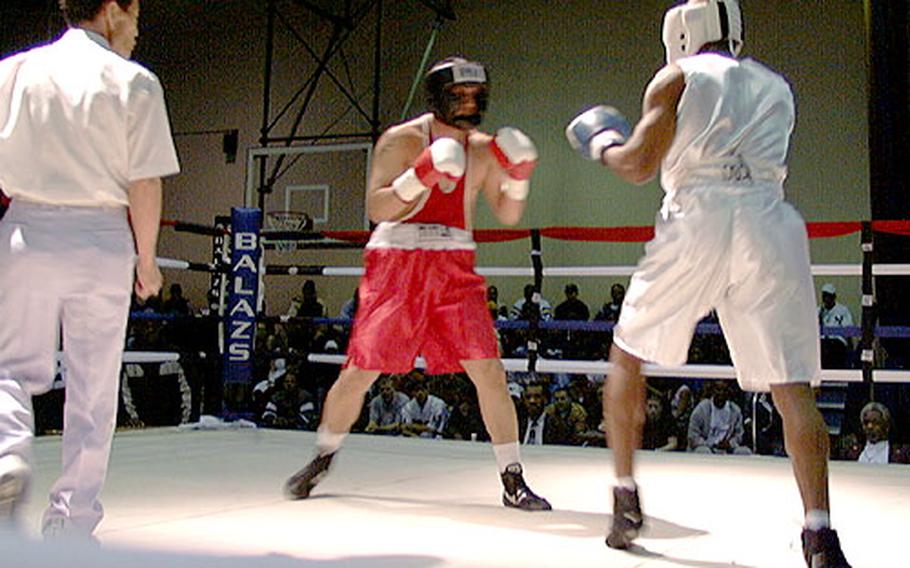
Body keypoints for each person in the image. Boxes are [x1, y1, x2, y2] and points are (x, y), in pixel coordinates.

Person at [565, 1, 850, 565]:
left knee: (627, 357)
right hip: (771, 222)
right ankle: (819, 532)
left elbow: (640, 163)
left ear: (681, 34)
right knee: (793, 386)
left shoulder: (677, 76)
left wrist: (602, 144)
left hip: (698, 215)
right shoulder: (777, 86)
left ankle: (624, 498)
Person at [283, 56, 550, 510]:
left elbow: (507, 213)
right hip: (398, 262)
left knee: (489, 369)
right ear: (438, 98)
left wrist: (520, 178)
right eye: (459, 96)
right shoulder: (402, 140)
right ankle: (323, 457)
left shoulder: (484, 149)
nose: (469, 104)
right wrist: (422, 173)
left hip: (454, 265)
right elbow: (377, 206)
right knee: (361, 370)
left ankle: (512, 478)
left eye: (476, 96)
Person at [0, 0, 180, 538]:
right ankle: (73, 518)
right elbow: (144, 182)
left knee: (7, 366)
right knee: (94, 386)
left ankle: (6, 456)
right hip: (102, 237)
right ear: (110, 11)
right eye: (135, 16)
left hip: (26, 228)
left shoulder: (14, 71)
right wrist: (146, 259)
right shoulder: (136, 82)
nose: (136, 30)